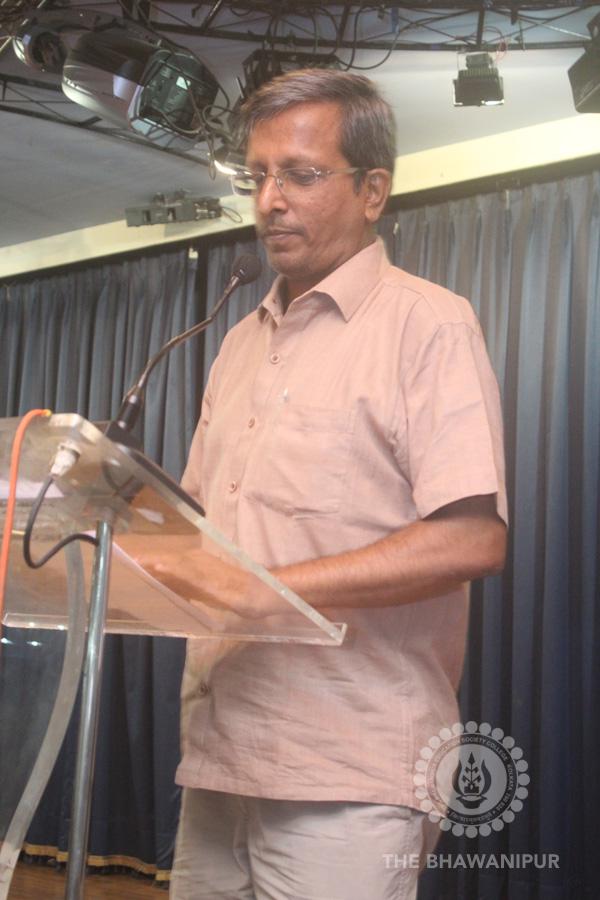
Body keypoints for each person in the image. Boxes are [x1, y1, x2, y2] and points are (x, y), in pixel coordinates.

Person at [134, 69, 507, 899]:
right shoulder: (237, 343)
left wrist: (266, 588)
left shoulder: (429, 324)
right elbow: (197, 532)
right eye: (258, 175)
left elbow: (473, 539)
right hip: (219, 754)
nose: (270, 200)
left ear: (373, 191)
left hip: (349, 768)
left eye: (300, 175)